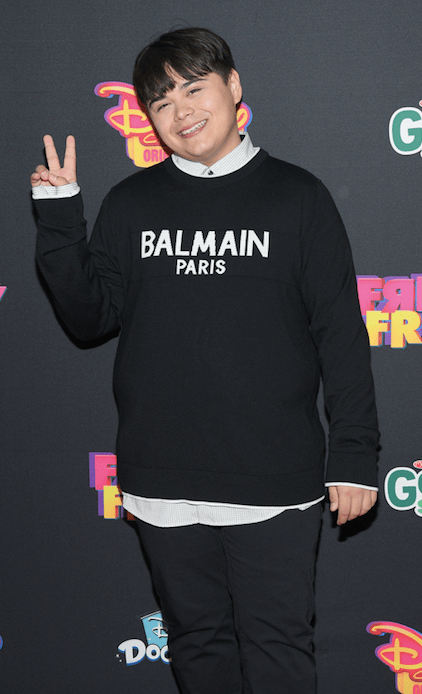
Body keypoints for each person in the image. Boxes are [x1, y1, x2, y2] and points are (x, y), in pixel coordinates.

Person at [31, 27, 379, 694]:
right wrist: (59, 218)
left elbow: (341, 333)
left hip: (274, 480)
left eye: (194, 89)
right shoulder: (130, 203)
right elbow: (88, 319)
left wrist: (355, 455)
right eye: (162, 102)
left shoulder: (299, 197)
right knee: (197, 651)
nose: (182, 111)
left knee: (279, 656)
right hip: (161, 481)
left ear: (233, 85)